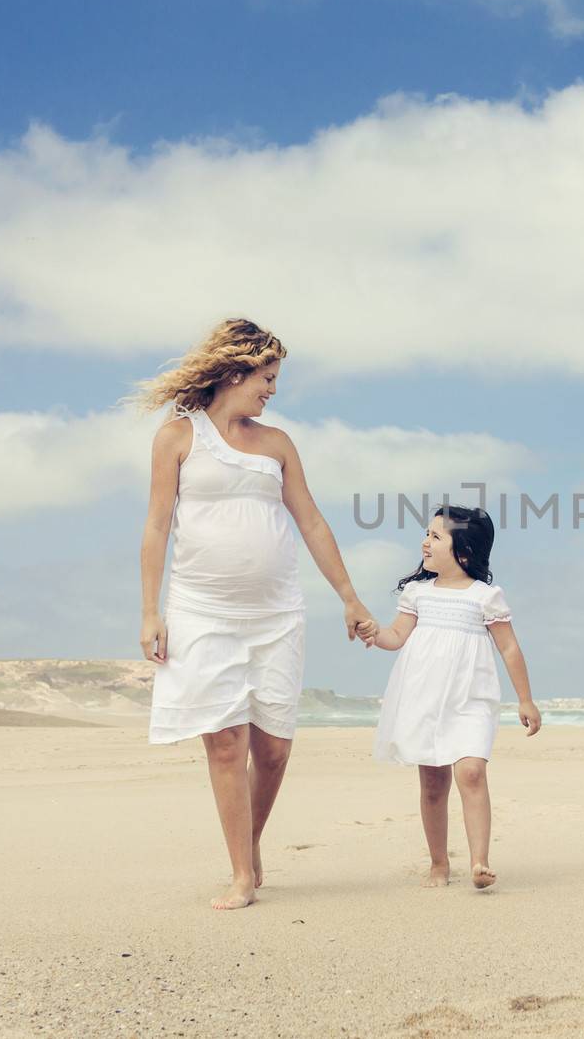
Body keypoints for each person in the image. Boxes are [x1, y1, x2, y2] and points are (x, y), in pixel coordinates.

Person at [133, 317, 379, 910]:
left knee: (272, 749)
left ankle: (250, 843)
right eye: (267, 378)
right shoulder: (177, 437)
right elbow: (157, 526)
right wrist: (149, 611)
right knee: (224, 743)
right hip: (201, 611)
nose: (272, 390)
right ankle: (243, 874)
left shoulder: (277, 444)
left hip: (276, 615)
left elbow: (312, 522)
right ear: (235, 370)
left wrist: (349, 595)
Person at [367, 505, 540, 890]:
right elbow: (395, 637)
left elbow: (509, 649)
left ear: (463, 552)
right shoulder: (417, 593)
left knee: (472, 772)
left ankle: (480, 861)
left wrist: (525, 700)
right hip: (424, 698)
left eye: (435, 536)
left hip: (470, 698)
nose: (425, 542)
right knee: (432, 784)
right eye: (427, 534)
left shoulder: (485, 597)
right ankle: (439, 863)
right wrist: (372, 632)